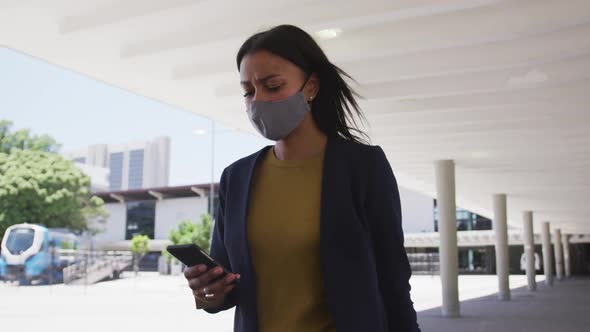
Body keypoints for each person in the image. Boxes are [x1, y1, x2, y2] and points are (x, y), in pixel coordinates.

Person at [184, 24, 420, 332]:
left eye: (272, 85)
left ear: (311, 87)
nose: (258, 101)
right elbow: (227, 289)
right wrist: (208, 290)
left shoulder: (362, 166)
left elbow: (393, 282)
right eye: (248, 91)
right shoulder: (236, 178)